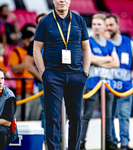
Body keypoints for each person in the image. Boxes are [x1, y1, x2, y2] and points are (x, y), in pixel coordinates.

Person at [33, 0, 91, 149]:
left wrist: (85, 72)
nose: (62, 1)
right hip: (53, 76)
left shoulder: (79, 20)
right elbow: (36, 49)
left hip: (76, 75)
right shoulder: (45, 22)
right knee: (53, 117)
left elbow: (86, 48)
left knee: (76, 117)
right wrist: (44, 73)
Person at [80, 14, 119, 150]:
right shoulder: (88, 41)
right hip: (92, 83)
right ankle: (81, 141)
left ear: (104, 26)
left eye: (99, 24)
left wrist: (100, 60)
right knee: (87, 114)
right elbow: (90, 59)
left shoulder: (109, 44)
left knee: (108, 115)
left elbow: (116, 63)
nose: (96, 26)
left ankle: (109, 141)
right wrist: (107, 59)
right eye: (94, 24)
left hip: (108, 85)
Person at [105, 14, 133, 150]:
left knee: (124, 116)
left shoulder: (128, 42)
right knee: (109, 116)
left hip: (125, 86)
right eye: (106, 25)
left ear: (118, 26)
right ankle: (112, 142)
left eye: (111, 25)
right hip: (108, 87)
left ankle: (125, 144)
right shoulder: (102, 43)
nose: (108, 28)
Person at [9, 29, 41, 121]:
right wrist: (28, 61)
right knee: (22, 116)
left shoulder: (37, 51)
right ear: (23, 39)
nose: (30, 43)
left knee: (35, 117)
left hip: (36, 89)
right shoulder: (16, 52)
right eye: (28, 40)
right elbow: (14, 70)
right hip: (23, 90)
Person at [25, 13, 46, 143]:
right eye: (39, 22)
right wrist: (43, 78)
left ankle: (59, 139)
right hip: (44, 83)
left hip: (60, 81)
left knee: (61, 111)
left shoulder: (59, 40)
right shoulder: (34, 43)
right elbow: (28, 65)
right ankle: (46, 141)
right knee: (47, 111)